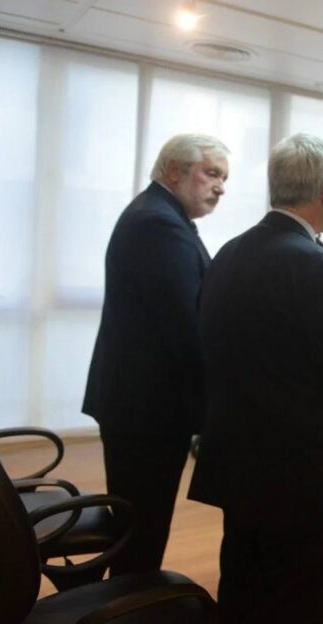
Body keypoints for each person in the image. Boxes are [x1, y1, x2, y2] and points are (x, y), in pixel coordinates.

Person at [188, 134, 323, 623]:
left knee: (242, 589)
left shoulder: (227, 254)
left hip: (239, 465)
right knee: (296, 602)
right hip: (301, 481)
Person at [82, 133, 229, 576]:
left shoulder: (160, 215)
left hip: (141, 406)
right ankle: (130, 603)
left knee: (139, 525)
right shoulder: (158, 224)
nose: (221, 187)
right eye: (212, 173)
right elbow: (186, 327)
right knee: (142, 531)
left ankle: (128, 598)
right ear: (174, 170)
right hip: (146, 412)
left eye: (224, 178)